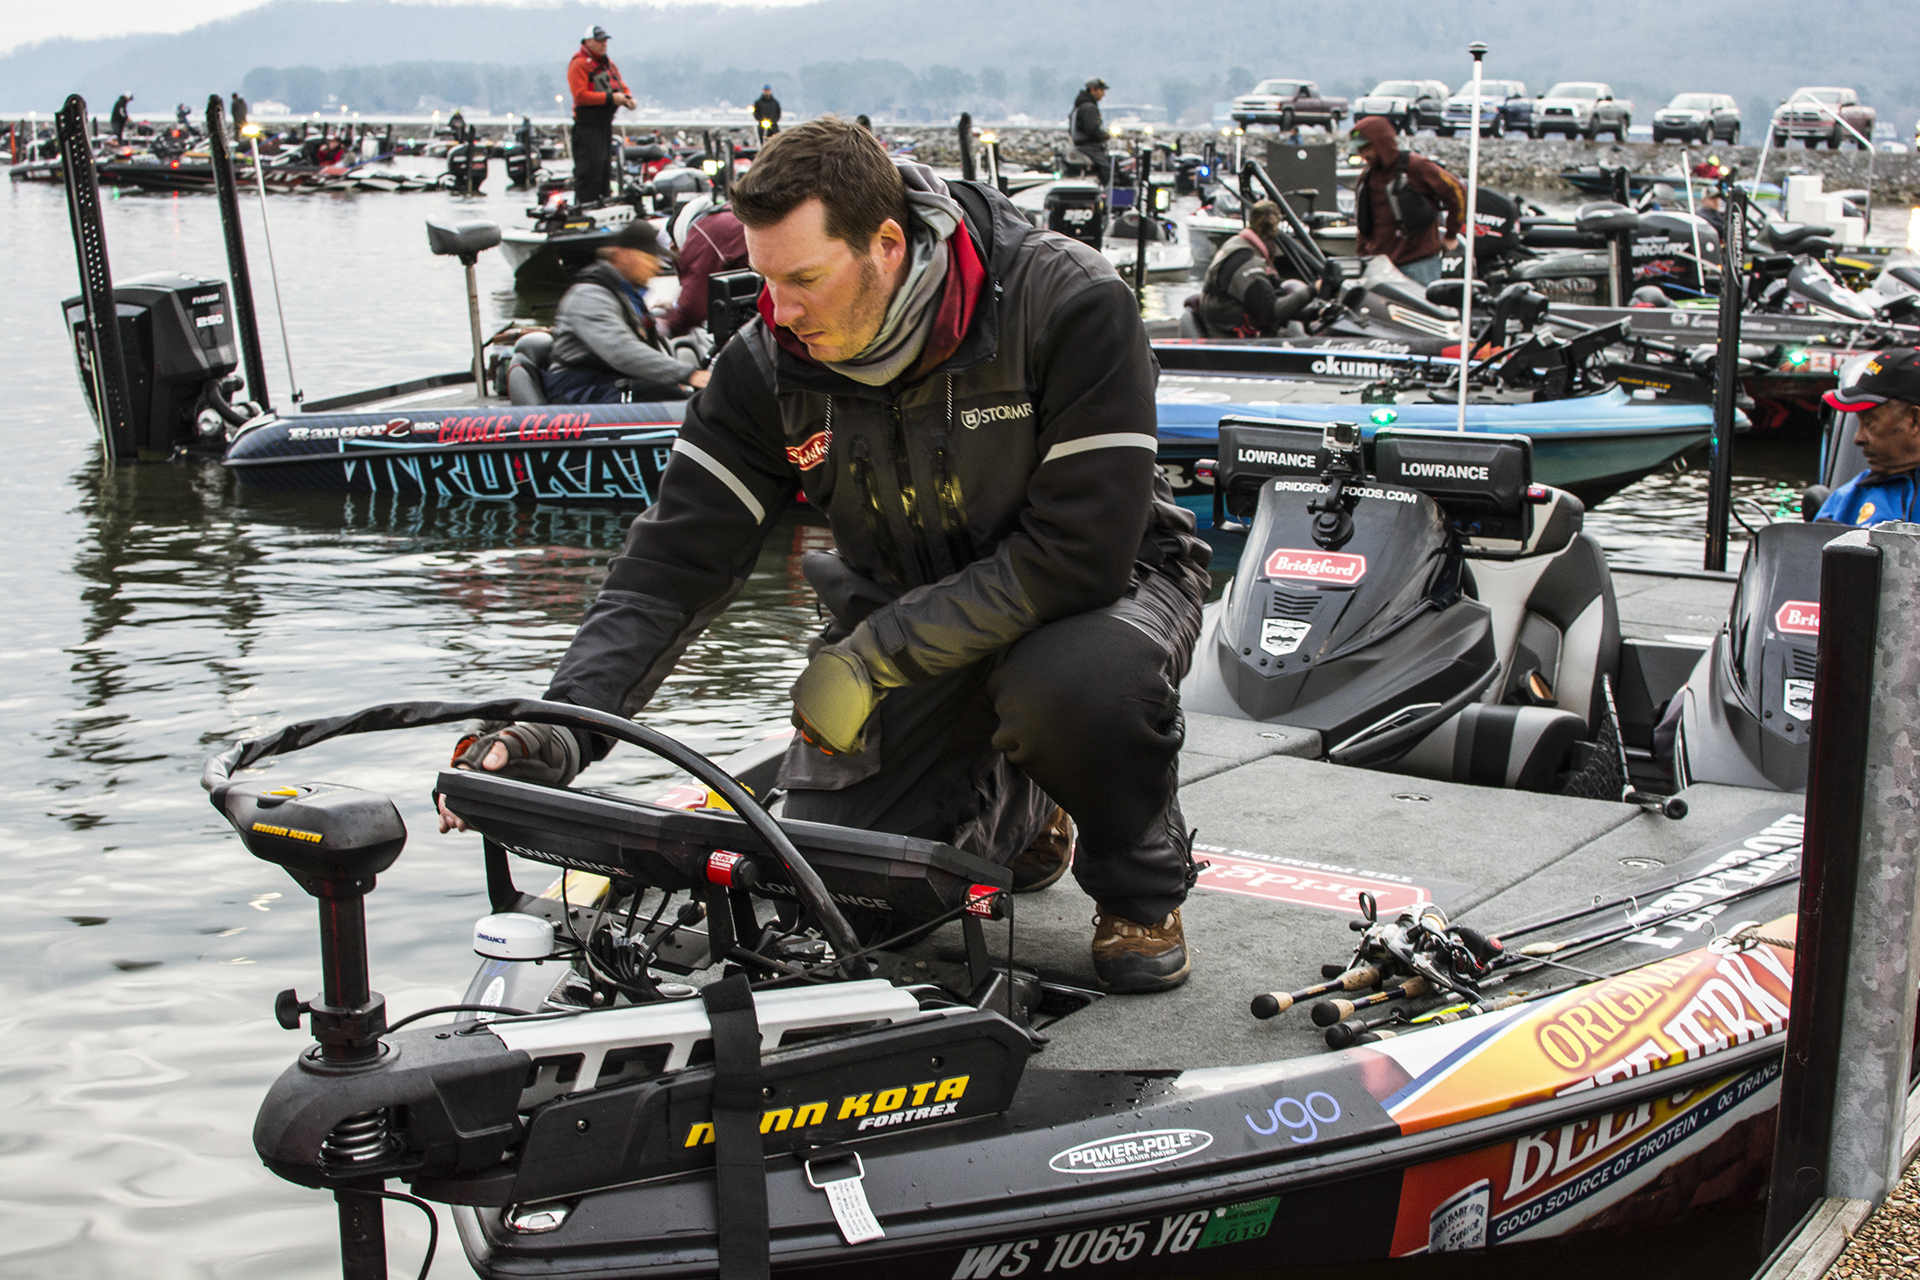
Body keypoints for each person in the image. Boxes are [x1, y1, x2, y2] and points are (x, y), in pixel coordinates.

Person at [439, 117, 1211, 993]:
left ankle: (1140, 887)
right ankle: (1026, 808)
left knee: (1071, 685)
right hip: (901, 609)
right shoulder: (766, 362)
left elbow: (1078, 557)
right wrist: (561, 729)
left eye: (804, 278)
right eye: (765, 279)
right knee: (850, 900)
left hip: (1102, 594)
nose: (781, 309)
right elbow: (671, 566)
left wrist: (871, 658)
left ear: (887, 243)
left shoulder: (1068, 301)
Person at [545, 219, 712, 404]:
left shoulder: (624, 293)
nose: (656, 267)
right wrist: (688, 374)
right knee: (667, 396)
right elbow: (621, 350)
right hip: (576, 390)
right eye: (649, 258)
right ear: (622, 255)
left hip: (607, 382)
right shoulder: (588, 296)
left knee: (675, 394)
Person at [1351, 115, 1465, 286]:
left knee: (1426, 311)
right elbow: (1363, 224)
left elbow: (1457, 190)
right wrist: (1362, 256)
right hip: (1380, 266)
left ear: (1381, 143)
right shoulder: (1366, 178)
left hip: (1419, 263)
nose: (1365, 155)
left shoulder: (1416, 166)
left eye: (1368, 148)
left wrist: (1451, 234)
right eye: (1361, 150)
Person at [1814, 350, 1920, 525]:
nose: (1858, 438)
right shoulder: (1845, 500)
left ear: (1914, 420)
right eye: (1858, 423)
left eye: (1870, 422)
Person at [1197, 200, 1312, 337]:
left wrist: (1315, 312)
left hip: (1228, 323)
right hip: (1233, 336)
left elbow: (1273, 297)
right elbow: (1272, 311)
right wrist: (1313, 289)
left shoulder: (1237, 243)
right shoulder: (1248, 262)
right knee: (1291, 333)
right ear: (1270, 237)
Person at [569, 24, 635, 205]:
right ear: (588, 42)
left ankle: (603, 206)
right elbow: (580, 96)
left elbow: (621, 85)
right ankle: (584, 210)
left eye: (605, 40)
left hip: (604, 126)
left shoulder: (608, 64)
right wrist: (610, 98)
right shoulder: (579, 64)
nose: (603, 44)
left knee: (604, 172)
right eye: (599, 41)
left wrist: (628, 99)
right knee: (589, 173)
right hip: (587, 127)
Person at [660, 204, 750, 337]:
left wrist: (664, 326)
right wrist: (675, 304)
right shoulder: (723, 215)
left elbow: (693, 307)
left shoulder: (702, 232)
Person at [1069, 78, 1110, 178]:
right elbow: (1092, 130)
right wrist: (1105, 136)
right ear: (1093, 90)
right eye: (1101, 90)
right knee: (1109, 169)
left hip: (1079, 145)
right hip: (1089, 147)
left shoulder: (1079, 106)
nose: (1103, 94)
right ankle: (1112, 190)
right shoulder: (1089, 107)